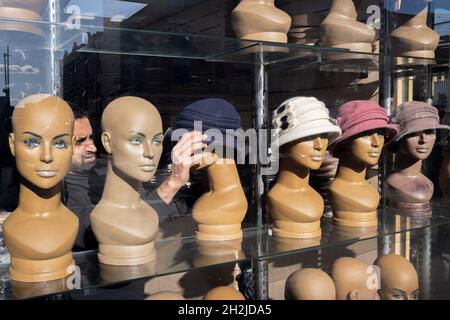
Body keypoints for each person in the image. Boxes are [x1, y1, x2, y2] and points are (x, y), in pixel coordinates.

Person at [63, 107, 206, 251]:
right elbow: (105, 236)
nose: (92, 147)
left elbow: (159, 206)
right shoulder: (63, 192)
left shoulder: (104, 171)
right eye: (80, 141)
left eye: (91, 137)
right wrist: (172, 183)